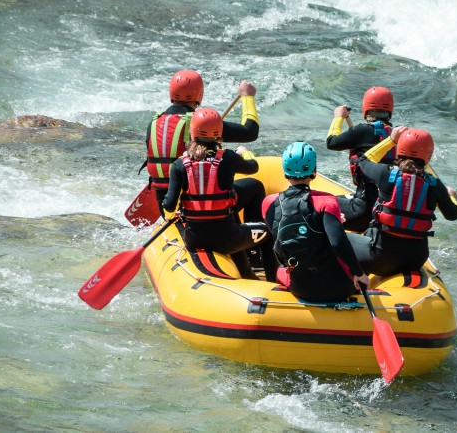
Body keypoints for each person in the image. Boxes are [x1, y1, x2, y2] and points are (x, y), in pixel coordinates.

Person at [162, 107, 277, 282]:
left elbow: (169, 206)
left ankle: (246, 271)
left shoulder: (179, 164)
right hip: (227, 240)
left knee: (232, 213)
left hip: (194, 240)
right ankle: (272, 280)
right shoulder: (229, 157)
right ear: (220, 133)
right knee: (269, 232)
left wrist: (176, 212)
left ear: (192, 132)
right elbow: (253, 167)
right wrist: (244, 153)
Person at [262, 141, 370, 303]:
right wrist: (360, 274)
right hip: (339, 289)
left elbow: (286, 233)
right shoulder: (327, 200)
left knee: (281, 271)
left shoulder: (269, 203)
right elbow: (338, 243)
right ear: (314, 171)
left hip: (300, 288)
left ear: (285, 171)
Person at [348, 126, 457, 277]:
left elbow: (363, 160)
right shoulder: (434, 184)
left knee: (338, 238)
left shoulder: (385, 174)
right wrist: (451, 196)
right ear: (428, 155)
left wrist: (391, 140)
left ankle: (352, 282)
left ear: (399, 149)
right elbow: (452, 215)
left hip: (380, 259)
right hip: (415, 261)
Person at [143, 69, 260, 212]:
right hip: (195, 200)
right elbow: (249, 132)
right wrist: (247, 96)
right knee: (254, 185)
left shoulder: (154, 122)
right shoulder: (199, 122)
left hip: (165, 200)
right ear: (200, 93)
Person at [326, 86, 398, 232]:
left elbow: (331, 142)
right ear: (390, 110)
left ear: (366, 109)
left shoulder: (362, 130)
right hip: (388, 214)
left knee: (317, 203)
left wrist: (339, 117)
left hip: (363, 214)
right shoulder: (399, 137)